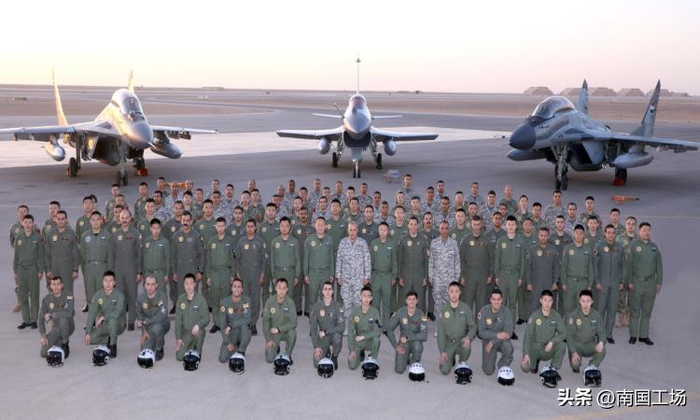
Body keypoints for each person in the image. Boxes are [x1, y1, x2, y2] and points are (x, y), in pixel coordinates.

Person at [627, 222, 662, 346]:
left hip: (650, 283)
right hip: (636, 282)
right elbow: (629, 265)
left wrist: (659, 282)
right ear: (639, 231)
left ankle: (644, 335)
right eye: (644, 230)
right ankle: (633, 335)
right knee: (635, 310)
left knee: (647, 311)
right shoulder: (633, 245)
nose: (647, 232)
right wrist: (629, 281)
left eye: (648, 230)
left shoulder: (654, 247)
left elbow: (659, 266)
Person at [107, 209, 142, 331]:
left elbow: (139, 254)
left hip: (131, 270)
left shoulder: (135, 234)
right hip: (118, 270)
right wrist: (111, 273)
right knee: (120, 297)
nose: (124, 220)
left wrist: (139, 271)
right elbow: (111, 255)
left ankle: (131, 320)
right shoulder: (115, 235)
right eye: (122, 217)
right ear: (119, 219)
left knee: (132, 296)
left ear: (130, 218)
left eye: (127, 217)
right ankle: (121, 321)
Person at [593, 224, 626, 344]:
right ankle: (599, 334)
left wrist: (622, 281)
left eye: (613, 232)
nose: (611, 235)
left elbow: (624, 266)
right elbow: (595, 266)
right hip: (602, 283)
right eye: (609, 232)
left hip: (615, 283)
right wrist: (597, 281)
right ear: (605, 233)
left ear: (615, 234)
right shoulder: (599, 246)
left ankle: (608, 334)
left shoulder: (620, 247)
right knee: (600, 310)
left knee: (612, 310)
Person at [521, 290, 567, 374]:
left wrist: (552, 342)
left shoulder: (556, 316)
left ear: (552, 302)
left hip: (548, 348)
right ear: (541, 301)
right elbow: (527, 336)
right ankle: (535, 362)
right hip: (535, 348)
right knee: (525, 368)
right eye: (545, 300)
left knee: (562, 345)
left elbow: (564, 333)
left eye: (549, 300)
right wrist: (526, 354)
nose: (547, 303)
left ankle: (554, 367)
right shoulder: (534, 316)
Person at [493, 216, 524, 337]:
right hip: (503, 275)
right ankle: (500, 327)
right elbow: (497, 259)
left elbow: (522, 261)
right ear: (505, 226)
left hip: (515, 275)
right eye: (509, 224)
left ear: (516, 226)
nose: (511, 227)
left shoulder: (520, 241)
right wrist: (497, 275)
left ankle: (510, 329)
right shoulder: (501, 241)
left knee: (512, 303)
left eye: (513, 224)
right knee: (501, 302)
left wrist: (520, 277)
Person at [437, 282, 477, 375]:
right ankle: (451, 358)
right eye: (451, 291)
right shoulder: (443, 309)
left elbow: (473, 326)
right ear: (448, 292)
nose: (454, 294)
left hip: (461, 341)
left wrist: (468, 337)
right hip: (449, 343)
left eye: (456, 291)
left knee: (466, 346)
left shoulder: (465, 308)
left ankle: (462, 362)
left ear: (460, 293)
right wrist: (442, 351)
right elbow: (440, 333)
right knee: (444, 370)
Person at [205, 217, 236, 333]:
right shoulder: (211, 241)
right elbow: (208, 260)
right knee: (215, 300)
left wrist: (232, 275)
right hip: (214, 273)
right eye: (218, 226)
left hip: (226, 273)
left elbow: (233, 260)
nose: (220, 228)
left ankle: (226, 322)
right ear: (215, 227)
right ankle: (217, 323)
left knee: (226, 300)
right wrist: (208, 276)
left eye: (222, 225)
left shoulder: (230, 241)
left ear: (225, 226)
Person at [85, 271, 126, 357]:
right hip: (105, 324)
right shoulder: (98, 295)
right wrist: (88, 332)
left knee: (112, 321)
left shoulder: (120, 295)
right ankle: (110, 338)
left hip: (119, 323)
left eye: (111, 281)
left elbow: (117, 312)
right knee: (90, 339)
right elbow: (92, 313)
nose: (108, 283)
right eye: (106, 280)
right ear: (102, 282)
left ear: (114, 282)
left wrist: (103, 317)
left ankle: (113, 345)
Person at [235, 219, 266, 335]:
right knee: (244, 300)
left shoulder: (260, 242)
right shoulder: (241, 241)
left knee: (255, 301)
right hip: (244, 274)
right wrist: (237, 273)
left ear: (255, 227)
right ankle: (245, 322)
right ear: (245, 227)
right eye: (248, 226)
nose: (250, 228)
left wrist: (262, 274)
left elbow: (263, 260)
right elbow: (237, 259)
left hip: (256, 274)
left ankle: (253, 323)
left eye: (252, 226)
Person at [14, 214, 45, 329]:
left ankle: (33, 320)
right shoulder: (19, 237)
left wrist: (40, 270)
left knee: (34, 295)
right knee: (22, 295)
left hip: (33, 269)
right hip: (21, 269)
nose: (27, 225)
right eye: (25, 222)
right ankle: (26, 320)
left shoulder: (37, 237)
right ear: (22, 223)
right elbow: (16, 256)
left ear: (33, 223)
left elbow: (41, 255)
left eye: (30, 222)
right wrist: (15, 271)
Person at [386, 291, 428, 374]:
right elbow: (389, 329)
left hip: (415, 341)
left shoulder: (421, 315)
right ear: (406, 301)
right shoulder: (400, 312)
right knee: (399, 370)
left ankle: (414, 361)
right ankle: (406, 357)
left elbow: (424, 335)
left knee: (418, 346)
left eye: (414, 299)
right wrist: (396, 346)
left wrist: (409, 338)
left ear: (417, 301)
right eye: (409, 299)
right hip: (403, 343)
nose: (411, 301)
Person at [335, 222, 371, 317]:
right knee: (346, 303)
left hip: (359, 279)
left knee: (358, 303)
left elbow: (367, 260)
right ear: (348, 231)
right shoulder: (343, 243)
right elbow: (339, 260)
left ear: (357, 231)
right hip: (346, 279)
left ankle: (357, 323)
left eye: (354, 230)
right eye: (350, 230)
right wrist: (338, 276)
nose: (352, 232)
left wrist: (367, 276)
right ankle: (347, 323)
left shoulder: (362, 243)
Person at [566, 290, 606, 372]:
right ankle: (575, 361)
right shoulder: (573, 315)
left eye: (588, 301)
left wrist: (601, 343)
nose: (585, 304)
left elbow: (602, 333)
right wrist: (573, 352)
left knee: (602, 349)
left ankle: (592, 365)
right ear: (579, 301)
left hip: (589, 344)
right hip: (576, 345)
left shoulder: (596, 315)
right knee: (575, 366)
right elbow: (569, 336)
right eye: (583, 301)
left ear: (592, 302)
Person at [429, 221, 460, 323]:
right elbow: (431, 261)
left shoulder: (453, 243)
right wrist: (431, 278)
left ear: (449, 229)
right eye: (442, 228)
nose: (444, 230)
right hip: (437, 279)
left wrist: (456, 279)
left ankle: (449, 325)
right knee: (438, 304)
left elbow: (457, 261)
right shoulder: (434, 243)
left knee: (450, 303)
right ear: (439, 229)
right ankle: (439, 326)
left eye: (446, 228)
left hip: (450, 279)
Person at [477, 288, 514, 375]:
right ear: (490, 300)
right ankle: (489, 361)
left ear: (502, 300)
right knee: (488, 371)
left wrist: (494, 341)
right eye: (494, 299)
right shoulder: (483, 311)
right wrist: (497, 335)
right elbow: (481, 333)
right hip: (488, 339)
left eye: (498, 299)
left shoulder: (506, 312)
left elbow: (508, 333)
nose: (496, 302)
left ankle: (502, 365)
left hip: (502, 340)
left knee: (509, 348)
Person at [460, 215, 493, 313]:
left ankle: (480, 322)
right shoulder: (466, 240)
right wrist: (462, 275)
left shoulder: (486, 240)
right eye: (474, 224)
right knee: (468, 302)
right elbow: (461, 259)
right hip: (469, 275)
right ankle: (468, 322)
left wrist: (490, 275)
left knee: (481, 303)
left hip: (482, 275)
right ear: (471, 225)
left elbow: (491, 258)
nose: (476, 227)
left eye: (478, 224)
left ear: (481, 225)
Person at [524, 227, 560, 316]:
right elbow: (528, 268)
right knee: (534, 305)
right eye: (541, 235)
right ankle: (533, 323)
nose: (543, 237)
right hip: (535, 283)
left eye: (545, 236)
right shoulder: (532, 250)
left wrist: (555, 282)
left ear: (548, 236)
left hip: (549, 282)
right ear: (538, 236)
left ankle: (550, 324)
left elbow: (556, 267)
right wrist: (528, 283)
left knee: (549, 305)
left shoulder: (553, 250)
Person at [397, 217, 429, 314]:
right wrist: (400, 276)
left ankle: (421, 319)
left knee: (420, 299)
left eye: (415, 224)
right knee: (404, 298)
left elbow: (426, 260)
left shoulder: (423, 240)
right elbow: (399, 260)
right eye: (411, 224)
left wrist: (425, 277)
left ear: (418, 226)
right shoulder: (403, 240)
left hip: (419, 274)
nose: (413, 226)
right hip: (406, 274)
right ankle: (403, 319)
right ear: (408, 225)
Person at [310, 281, 345, 369]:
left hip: (333, 334)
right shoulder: (316, 307)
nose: (328, 292)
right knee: (316, 364)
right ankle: (326, 350)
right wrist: (316, 347)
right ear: (322, 291)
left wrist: (326, 331)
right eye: (325, 289)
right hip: (323, 337)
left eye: (330, 289)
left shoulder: (338, 306)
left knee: (337, 337)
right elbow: (313, 328)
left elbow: (341, 327)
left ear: (333, 291)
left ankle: (334, 356)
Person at [79, 211, 111, 310]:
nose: (96, 222)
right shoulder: (85, 236)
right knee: (90, 295)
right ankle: (91, 318)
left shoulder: (107, 236)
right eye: (93, 220)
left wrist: (109, 272)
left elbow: (110, 255)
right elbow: (82, 254)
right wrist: (85, 269)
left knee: (102, 295)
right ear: (90, 221)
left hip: (102, 267)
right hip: (89, 268)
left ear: (101, 221)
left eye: (98, 219)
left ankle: (102, 318)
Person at [560, 225, 594, 315]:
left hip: (583, 283)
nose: (579, 235)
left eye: (581, 233)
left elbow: (590, 268)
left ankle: (580, 325)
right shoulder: (568, 248)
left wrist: (590, 284)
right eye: (577, 233)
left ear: (584, 235)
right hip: (570, 282)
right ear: (573, 234)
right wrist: (563, 283)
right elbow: (563, 267)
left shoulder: (588, 249)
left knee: (582, 308)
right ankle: (568, 325)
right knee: (568, 308)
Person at [304, 217, 335, 315]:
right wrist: (306, 274)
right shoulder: (309, 240)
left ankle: (325, 320)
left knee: (326, 298)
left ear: (325, 226)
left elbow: (331, 258)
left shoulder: (329, 239)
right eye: (318, 225)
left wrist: (332, 273)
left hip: (326, 273)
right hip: (313, 274)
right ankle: (312, 319)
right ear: (315, 226)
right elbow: (306, 258)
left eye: (322, 225)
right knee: (312, 299)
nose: (320, 227)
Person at [270, 217, 301, 313]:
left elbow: (297, 260)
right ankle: (277, 316)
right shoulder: (275, 241)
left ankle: (288, 317)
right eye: (282, 226)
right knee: (277, 296)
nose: (284, 228)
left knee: (289, 296)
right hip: (278, 272)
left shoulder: (294, 242)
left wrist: (296, 276)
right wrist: (273, 276)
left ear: (290, 227)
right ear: (279, 227)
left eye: (286, 226)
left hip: (290, 273)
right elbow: (272, 260)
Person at [175, 274, 209, 361]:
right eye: (186, 283)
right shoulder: (180, 299)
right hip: (186, 332)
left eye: (191, 283)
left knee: (201, 332)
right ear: (183, 285)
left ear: (195, 284)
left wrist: (198, 325)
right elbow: (178, 320)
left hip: (196, 331)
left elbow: (206, 318)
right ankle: (191, 345)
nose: (189, 286)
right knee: (179, 357)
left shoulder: (201, 300)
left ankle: (198, 351)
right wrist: (179, 338)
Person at [39, 276, 75, 359]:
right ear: (50, 286)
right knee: (44, 353)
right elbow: (40, 320)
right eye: (54, 284)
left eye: (58, 284)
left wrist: (53, 315)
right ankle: (60, 342)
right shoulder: (47, 299)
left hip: (68, 326)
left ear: (62, 285)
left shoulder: (69, 296)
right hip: (55, 328)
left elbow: (69, 313)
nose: (56, 287)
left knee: (63, 320)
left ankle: (65, 343)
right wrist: (43, 336)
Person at [369, 222, 397, 329]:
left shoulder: (392, 243)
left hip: (387, 276)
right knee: (375, 303)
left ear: (388, 231)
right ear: (378, 231)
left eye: (385, 230)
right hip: (376, 276)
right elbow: (370, 261)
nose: (382, 232)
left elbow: (394, 261)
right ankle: (376, 325)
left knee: (386, 303)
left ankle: (385, 326)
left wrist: (394, 276)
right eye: (381, 229)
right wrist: (369, 275)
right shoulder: (374, 243)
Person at [263, 278, 298, 363]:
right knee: (269, 359)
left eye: (284, 288)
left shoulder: (290, 302)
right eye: (279, 287)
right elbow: (265, 322)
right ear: (275, 288)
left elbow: (293, 322)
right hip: (273, 333)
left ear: (287, 289)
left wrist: (279, 329)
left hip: (285, 331)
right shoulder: (269, 302)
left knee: (292, 333)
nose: (281, 291)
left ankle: (288, 355)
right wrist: (269, 339)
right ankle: (276, 346)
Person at [135, 275, 170, 361]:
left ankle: (159, 348)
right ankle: (155, 339)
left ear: (156, 285)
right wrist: (144, 331)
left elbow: (162, 315)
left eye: (152, 284)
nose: (150, 287)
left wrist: (147, 321)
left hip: (162, 323)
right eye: (148, 284)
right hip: (148, 325)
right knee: (144, 350)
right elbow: (140, 316)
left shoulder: (162, 296)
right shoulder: (140, 298)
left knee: (157, 328)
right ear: (144, 285)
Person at [44, 210, 79, 294]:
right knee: (55, 291)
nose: (60, 221)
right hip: (54, 267)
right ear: (55, 220)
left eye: (62, 219)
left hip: (67, 267)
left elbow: (75, 253)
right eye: (58, 219)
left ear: (66, 220)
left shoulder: (72, 234)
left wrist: (75, 269)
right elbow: (47, 253)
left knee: (68, 290)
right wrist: (48, 269)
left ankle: (69, 303)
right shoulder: (50, 234)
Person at [218, 278, 252, 363]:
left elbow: (247, 319)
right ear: (231, 288)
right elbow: (222, 324)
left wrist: (231, 325)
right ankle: (235, 345)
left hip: (241, 331)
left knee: (246, 327)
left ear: (242, 289)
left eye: (239, 287)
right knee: (222, 358)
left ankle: (241, 349)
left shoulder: (246, 301)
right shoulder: (225, 302)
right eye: (235, 286)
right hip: (231, 333)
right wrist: (228, 342)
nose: (237, 289)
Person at [347, 286, 381, 370]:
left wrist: (364, 337)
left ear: (371, 298)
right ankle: (359, 353)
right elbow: (350, 331)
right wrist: (351, 350)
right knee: (352, 366)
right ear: (360, 297)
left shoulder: (375, 311)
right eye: (364, 296)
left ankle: (373, 359)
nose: (366, 299)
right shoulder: (355, 311)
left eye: (369, 296)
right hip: (358, 341)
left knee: (377, 340)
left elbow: (378, 330)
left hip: (369, 340)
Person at [140, 219, 170, 292]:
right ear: (150, 229)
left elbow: (167, 259)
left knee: (161, 296)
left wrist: (166, 274)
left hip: (160, 274)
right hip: (148, 273)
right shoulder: (147, 241)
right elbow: (143, 258)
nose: (156, 230)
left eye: (158, 228)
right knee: (148, 295)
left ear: (160, 229)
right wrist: (143, 274)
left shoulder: (164, 241)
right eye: (154, 228)